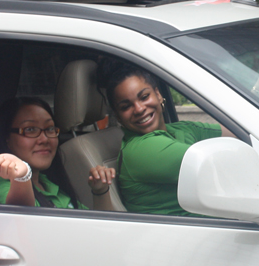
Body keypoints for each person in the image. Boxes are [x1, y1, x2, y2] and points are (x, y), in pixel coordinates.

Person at [97, 59, 236, 216]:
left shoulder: (179, 129)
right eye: (126, 106)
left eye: (144, 97)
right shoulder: (142, 150)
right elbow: (220, 166)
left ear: (158, 94)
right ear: (119, 117)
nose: (139, 109)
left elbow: (242, 133)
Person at [0, 97, 115, 210]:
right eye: (30, 129)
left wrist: (100, 191)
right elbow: (22, 215)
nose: (44, 139)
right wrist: (22, 176)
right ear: (7, 139)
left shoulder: (48, 184)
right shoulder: (4, 185)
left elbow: (99, 227)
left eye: (50, 129)